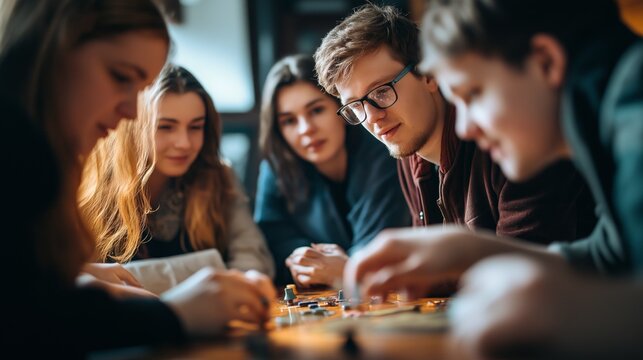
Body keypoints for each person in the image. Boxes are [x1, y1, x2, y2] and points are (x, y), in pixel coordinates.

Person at [345, 0, 643, 358]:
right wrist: (468, 248)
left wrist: (560, 310)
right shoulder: (598, 120)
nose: (464, 127)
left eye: (473, 94)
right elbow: (610, 258)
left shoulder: (634, 97)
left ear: (545, 62)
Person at [0, 0, 274, 356]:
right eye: (121, 77)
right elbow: (30, 323)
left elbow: (34, 299)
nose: (131, 110)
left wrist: (86, 276)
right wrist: (174, 311)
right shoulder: (23, 146)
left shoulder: (215, 176)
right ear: (56, 47)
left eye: (196, 127)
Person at [314, 4, 595, 249]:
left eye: (381, 92)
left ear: (427, 75)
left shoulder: (510, 138)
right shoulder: (409, 153)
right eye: (356, 106)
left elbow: (522, 273)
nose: (373, 117)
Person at [79, 64, 275, 282]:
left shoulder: (218, 176)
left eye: (195, 127)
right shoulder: (91, 185)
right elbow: (80, 280)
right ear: (133, 129)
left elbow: (253, 257)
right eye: (165, 127)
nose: (184, 143)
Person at [254, 54, 411, 287]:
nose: (306, 129)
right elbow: (274, 240)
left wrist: (341, 267)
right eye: (289, 121)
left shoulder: (381, 151)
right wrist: (308, 260)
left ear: (341, 107)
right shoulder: (277, 166)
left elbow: (379, 243)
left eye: (316, 110)